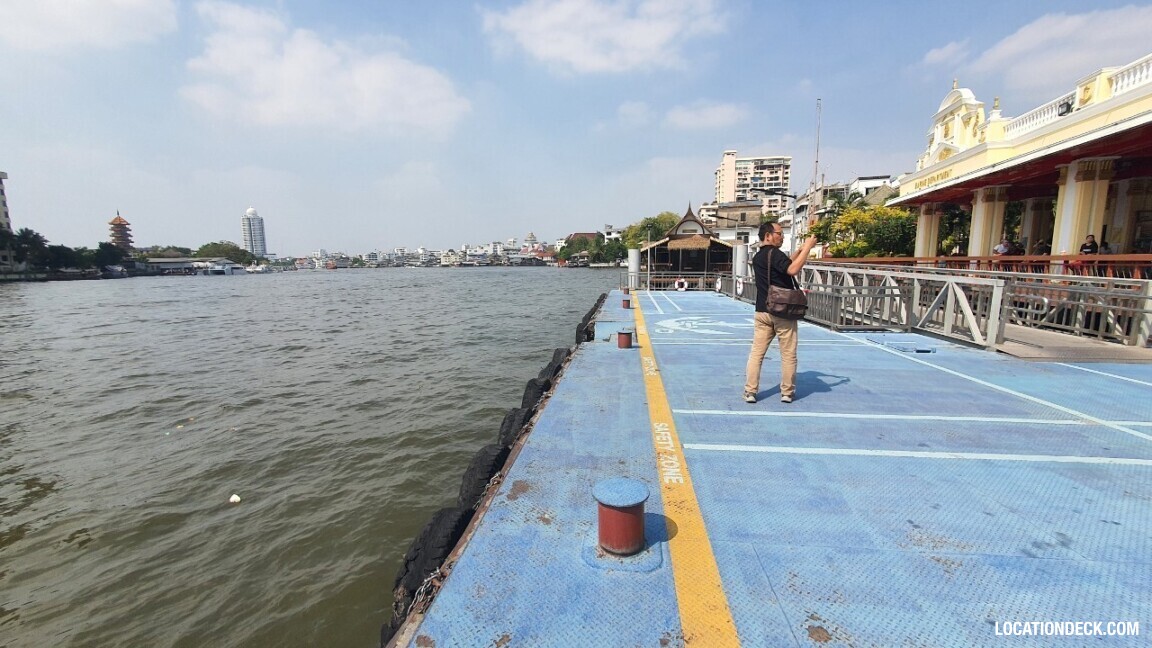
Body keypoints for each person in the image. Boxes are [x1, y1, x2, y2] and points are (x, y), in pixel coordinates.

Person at [744, 220, 819, 404]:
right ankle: (787, 392)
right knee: (788, 354)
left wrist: (800, 250)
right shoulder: (775, 254)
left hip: (762, 311)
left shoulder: (759, 256)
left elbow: (785, 265)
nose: (782, 236)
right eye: (779, 233)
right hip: (782, 311)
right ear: (768, 235)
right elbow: (792, 269)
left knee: (756, 354)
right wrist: (808, 248)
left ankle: (750, 391)